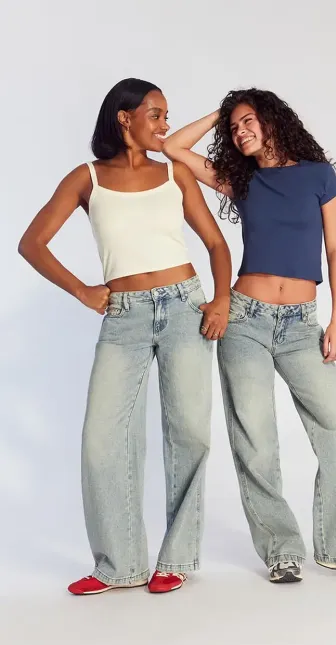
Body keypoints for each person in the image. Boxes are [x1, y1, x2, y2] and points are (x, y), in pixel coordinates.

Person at [163, 88, 336, 584]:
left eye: (248, 121)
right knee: (256, 441)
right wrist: (223, 112)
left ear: (272, 120)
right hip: (245, 321)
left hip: (302, 325)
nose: (239, 132)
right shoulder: (243, 181)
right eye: (233, 128)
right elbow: (172, 147)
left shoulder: (318, 175)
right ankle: (281, 550)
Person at [18, 78, 231, 595]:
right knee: (102, 439)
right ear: (124, 117)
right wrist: (82, 290)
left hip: (184, 308)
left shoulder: (176, 173)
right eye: (156, 114)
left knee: (190, 433)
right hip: (124, 316)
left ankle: (176, 558)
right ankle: (120, 564)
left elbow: (216, 244)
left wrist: (222, 298)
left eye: (166, 116)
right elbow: (32, 243)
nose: (164, 125)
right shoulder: (86, 177)